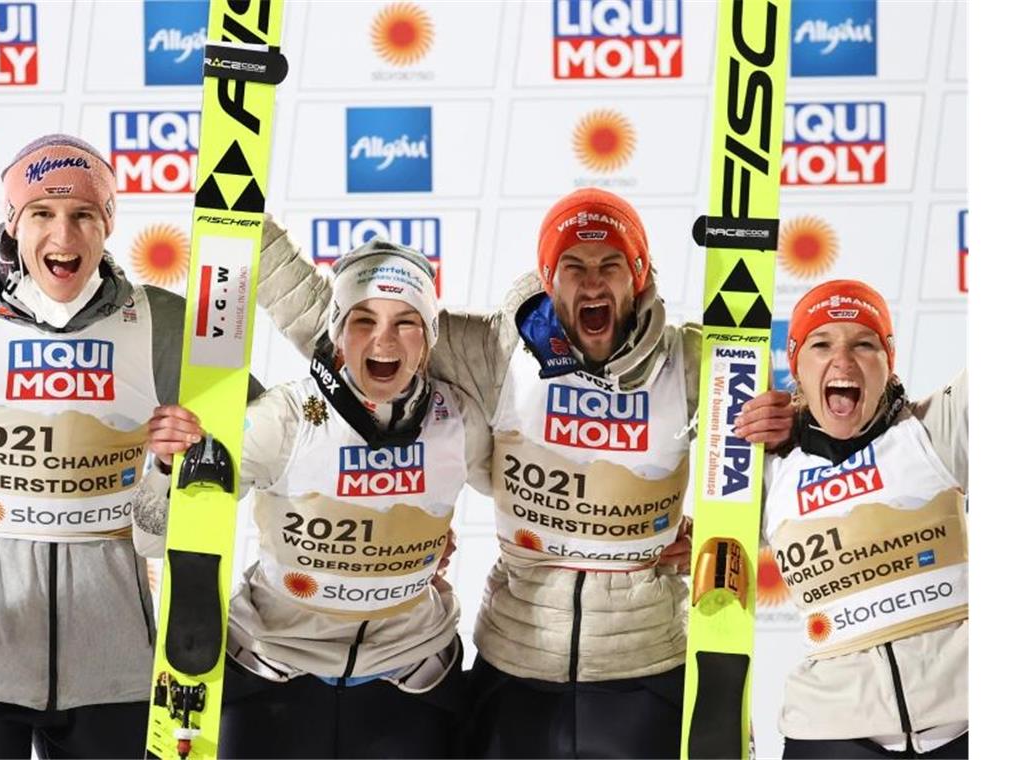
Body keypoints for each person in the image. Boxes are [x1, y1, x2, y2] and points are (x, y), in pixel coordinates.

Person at [254, 187, 795, 757]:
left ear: (639, 276)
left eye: (610, 264)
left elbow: (767, 503)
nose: (592, 282)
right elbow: (349, 332)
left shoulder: (695, 364)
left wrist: (781, 440)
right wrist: (240, 217)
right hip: (517, 663)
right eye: (573, 266)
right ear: (547, 277)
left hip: (648, 664)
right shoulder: (495, 352)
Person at [0, 133, 258, 759]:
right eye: (41, 212)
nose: (63, 236)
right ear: (12, 223)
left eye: (83, 214)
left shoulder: (161, 322)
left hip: (113, 655)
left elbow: (264, 437)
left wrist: (176, 467)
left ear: (108, 223)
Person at [132, 239, 491, 758]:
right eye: (363, 319)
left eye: (406, 322)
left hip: (409, 682)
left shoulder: (458, 422)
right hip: (274, 678)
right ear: (339, 335)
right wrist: (167, 468)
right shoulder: (285, 418)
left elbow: (528, 495)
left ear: (429, 339)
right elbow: (151, 534)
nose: (383, 340)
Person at [762, 279, 967, 759]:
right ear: (795, 366)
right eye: (821, 344)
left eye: (864, 344)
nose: (843, 361)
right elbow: (695, 543)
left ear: (888, 360)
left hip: (966, 719)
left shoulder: (934, 430)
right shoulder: (767, 472)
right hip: (830, 732)